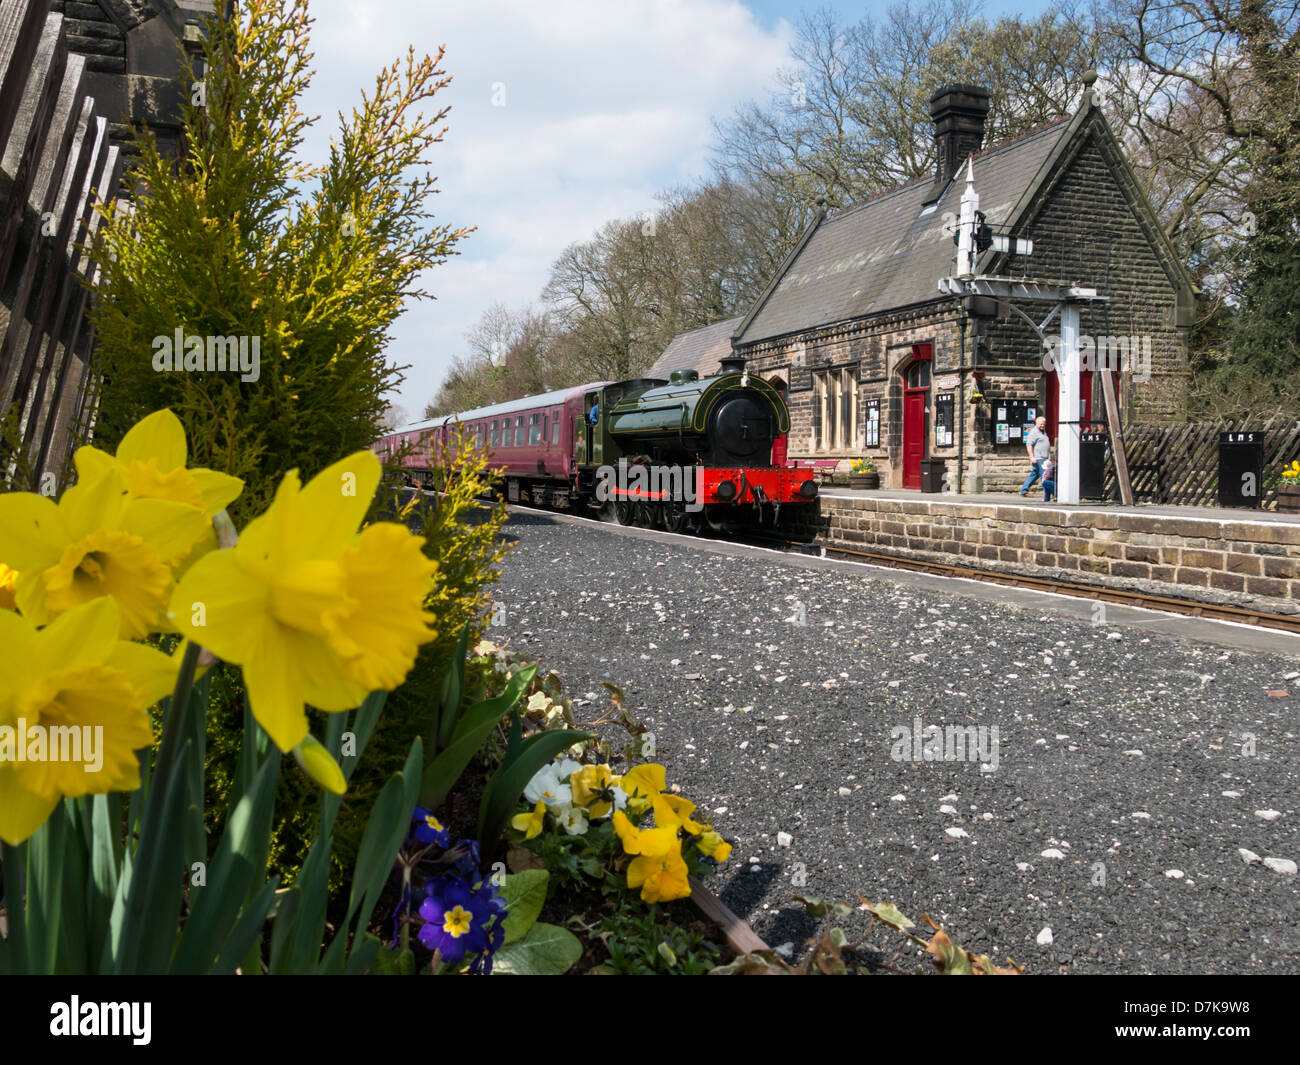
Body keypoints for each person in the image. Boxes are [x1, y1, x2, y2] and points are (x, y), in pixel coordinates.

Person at [1020, 416, 1050, 495]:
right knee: (1044, 476)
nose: (1042, 426)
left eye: (1044, 424)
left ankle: (1023, 490)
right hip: (1039, 458)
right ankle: (1047, 494)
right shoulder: (1034, 432)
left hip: (1044, 458)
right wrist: (1032, 457)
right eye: (1041, 424)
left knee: (1034, 475)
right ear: (1036, 423)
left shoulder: (1043, 432)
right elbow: (1029, 445)